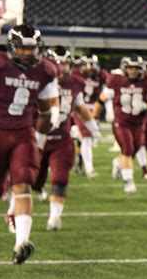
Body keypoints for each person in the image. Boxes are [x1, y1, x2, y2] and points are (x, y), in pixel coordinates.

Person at [0, 24, 58, 264]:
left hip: (24, 133)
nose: (27, 53)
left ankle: (21, 243)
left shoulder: (46, 71)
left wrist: (39, 140)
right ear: (12, 47)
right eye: (22, 48)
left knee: (24, 183)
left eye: (31, 49)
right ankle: (0, 188)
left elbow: (46, 112)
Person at [32, 46, 100, 231]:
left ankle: (54, 217)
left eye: (64, 64)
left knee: (61, 179)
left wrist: (93, 128)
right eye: (57, 64)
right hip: (37, 139)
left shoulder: (75, 82)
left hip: (62, 139)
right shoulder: (36, 78)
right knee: (32, 179)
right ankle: (19, 207)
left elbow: (80, 107)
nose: (61, 68)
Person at [93, 55, 147, 193]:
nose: (133, 71)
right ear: (125, 68)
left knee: (134, 149)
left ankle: (118, 162)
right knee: (127, 149)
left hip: (139, 123)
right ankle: (128, 181)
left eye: (136, 68)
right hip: (121, 121)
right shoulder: (116, 80)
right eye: (130, 68)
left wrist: (145, 106)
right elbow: (101, 100)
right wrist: (93, 120)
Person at [71, 54, 109, 178]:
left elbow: (108, 92)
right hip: (80, 108)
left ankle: (80, 162)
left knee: (85, 139)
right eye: (87, 64)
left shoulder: (102, 75)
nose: (89, 68)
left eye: (92, 64)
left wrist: (109, 110)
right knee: (86, 137)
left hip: (94, 108)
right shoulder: (75, 74)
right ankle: (89, 168)